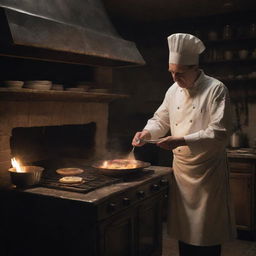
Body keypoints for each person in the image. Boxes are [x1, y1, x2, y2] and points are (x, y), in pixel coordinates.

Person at [132, 33, 236, 256]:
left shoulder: (216, 89)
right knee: (185, 232)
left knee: (206, 234)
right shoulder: (173, 91)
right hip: (182, 171)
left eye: (179, 73)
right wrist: (147, 132)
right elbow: (161, 119)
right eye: (171, 72)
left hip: (207, 172)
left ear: (194, 68)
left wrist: (181, 140)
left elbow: (219, 132)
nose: (174, 78)